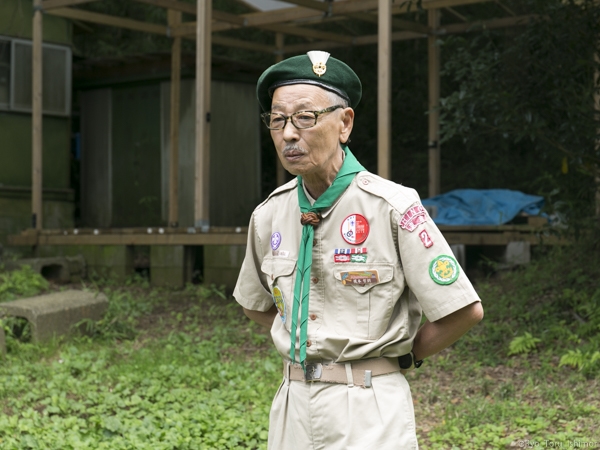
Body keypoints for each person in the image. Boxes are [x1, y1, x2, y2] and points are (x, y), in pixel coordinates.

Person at [233, 50, 483, 450]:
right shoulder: (269, 215)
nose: (289, 134)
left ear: (344, 123)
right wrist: (308, 339)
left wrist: (399, 357)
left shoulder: (394, 207)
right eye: (277, 120)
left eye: (305, 117)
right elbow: (253, 302)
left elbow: (461, 310)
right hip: (292, 404)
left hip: (369, 407)